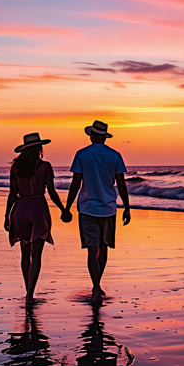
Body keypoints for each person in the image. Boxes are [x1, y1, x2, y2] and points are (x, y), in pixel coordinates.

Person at [63, 120, 131, 304]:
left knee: (92, 252)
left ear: (92, 135)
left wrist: (67, 208)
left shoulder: (82, 154)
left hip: (87, 208)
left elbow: (76, 183)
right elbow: (121, 184)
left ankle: (95, 288)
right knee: (104, 249)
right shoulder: (115, 155)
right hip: (109, 208)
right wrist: (127, 207)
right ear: (104, 136)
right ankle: (96, 285)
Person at [4, 132, 68, 303]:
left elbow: (12, 194)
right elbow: (52, 191)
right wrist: (63, 209)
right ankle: (30, 294)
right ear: (39, 148)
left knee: (25, 253)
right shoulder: (45, 166)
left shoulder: (16, 168)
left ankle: (28, 290)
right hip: (39, 207)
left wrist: (7, 215)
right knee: (36, 255)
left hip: (20, 209)